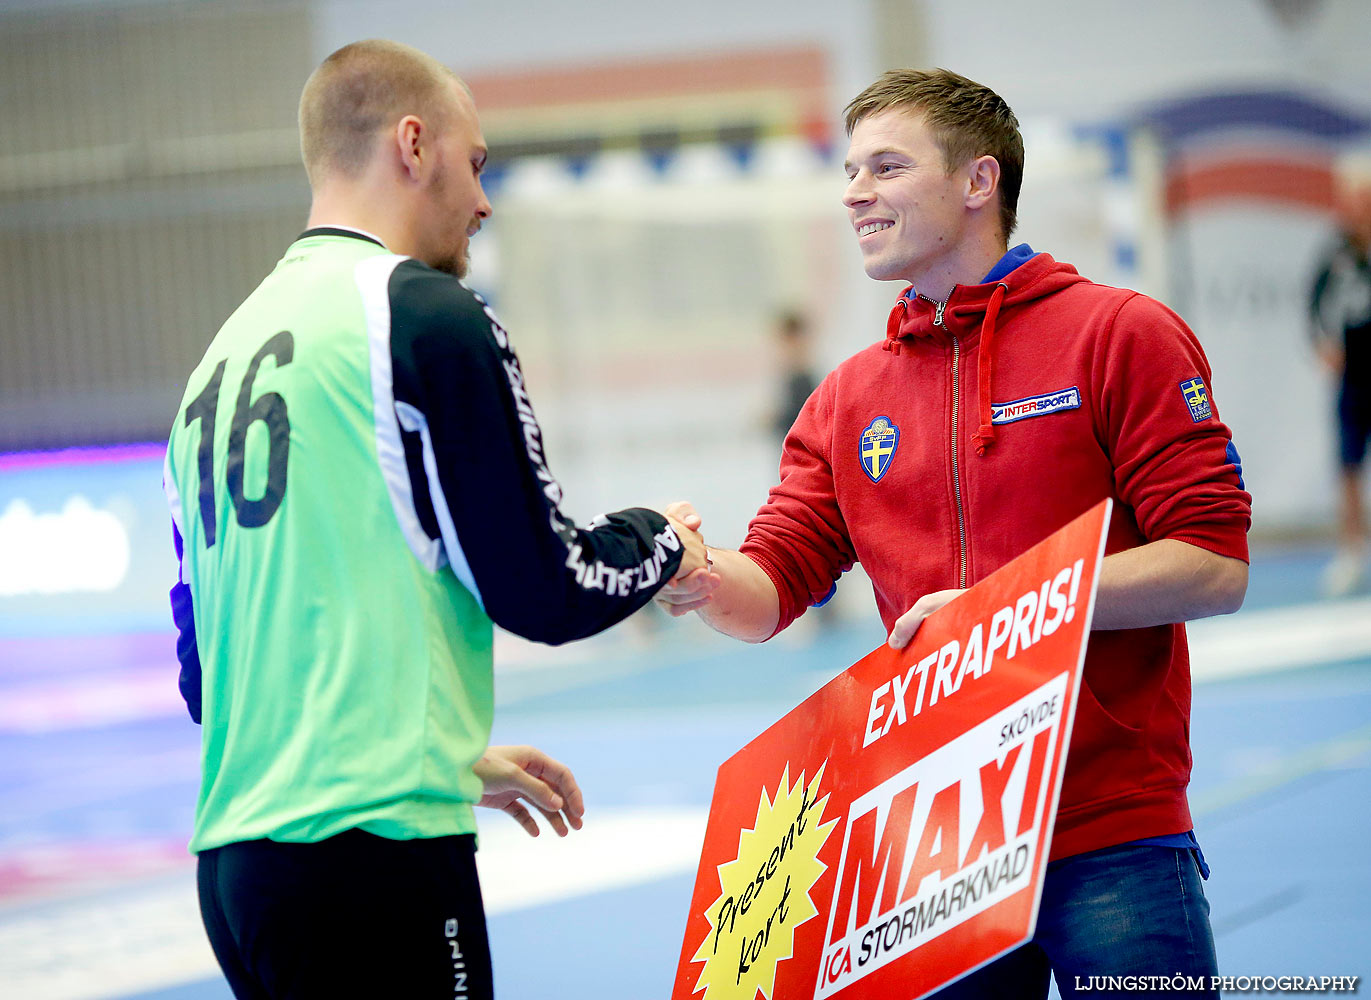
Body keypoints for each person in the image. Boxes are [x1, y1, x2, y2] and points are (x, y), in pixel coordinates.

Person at [659, 69, 1251, 998]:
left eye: (886, 166)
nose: (854, 191)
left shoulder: (1120, 335)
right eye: (850, 170)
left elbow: (1212, 565)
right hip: (933, 857)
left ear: (979, 182)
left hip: (1111, 832)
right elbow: (767, 589)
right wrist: (689, 572)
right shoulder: (847, 398)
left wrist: (1007, 607)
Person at [162, 39, 707, 1000]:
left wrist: (446, 753)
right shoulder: (420, 314)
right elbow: (548, 587)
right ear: (413, 144)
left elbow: (213, 674)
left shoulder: (221, 357)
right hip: (374, 865)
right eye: (476, 162)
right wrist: (663, 540)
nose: (485, 200)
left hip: (238, 870)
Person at [1309, 158, 1371, 597]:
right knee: (1348, 465)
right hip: (1354, 377)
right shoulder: (1335, 252)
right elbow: (1312, 307)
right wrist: (1322, 345)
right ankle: (1352, 552)